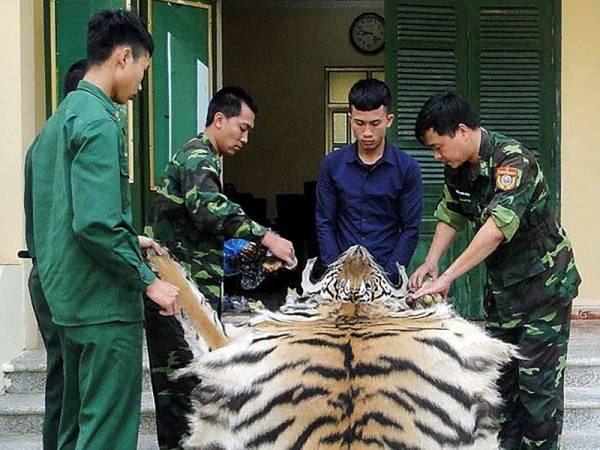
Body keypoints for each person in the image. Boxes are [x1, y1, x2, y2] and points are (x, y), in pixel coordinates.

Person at [26, 10, 180, 449]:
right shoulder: (98, 123)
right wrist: (149, 281)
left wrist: (130, 238)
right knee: (107, 432)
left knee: (74, 427)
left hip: (68, 302)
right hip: (103, 306)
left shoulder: (56, 125)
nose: (142, 84)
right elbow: (94, 224)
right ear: (124, 57)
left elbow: (59, 217)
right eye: (144, 71)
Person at [409, 90, 581, 450]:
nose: (437, 155)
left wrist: (447, 277)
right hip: (504, 296)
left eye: (438, 147)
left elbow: (496, 229)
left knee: (538, 398)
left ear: (461, 131)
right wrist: (432, 260)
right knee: (503, 395)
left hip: (543, 293)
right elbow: (452, 211)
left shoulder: (513, 162)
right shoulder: (458, 168)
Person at [148, 86, 296, 449]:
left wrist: (248, 252)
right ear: (219, 120)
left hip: (188, 294)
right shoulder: (198, 156)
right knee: (184, 394)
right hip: (176, 296)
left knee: (190, 392)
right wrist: (266, 237)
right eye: (242, 128)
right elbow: (208, 209)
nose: (245, 137)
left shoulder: (203, 158)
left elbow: (199, 228)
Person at [22, 58, 90, 450]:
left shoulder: (41, 141)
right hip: (64, 274)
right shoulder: (74, 136)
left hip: (44, 272)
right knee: (73, 383)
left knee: (61, 376)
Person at [316, 78, 423, 284]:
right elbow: (325, 222)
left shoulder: (407, 168)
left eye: (375, 123)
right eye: (359, 123)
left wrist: (390, 276)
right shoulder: (332, 165)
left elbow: (410, 228)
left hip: (386, 270)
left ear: (389, 120)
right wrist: (335, 272)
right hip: (341, 272)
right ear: (350, 118)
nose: (367, 132)